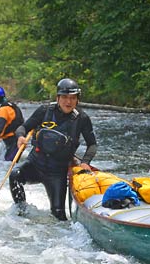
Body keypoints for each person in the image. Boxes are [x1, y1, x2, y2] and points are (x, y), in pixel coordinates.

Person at [9, 78, 97, 221]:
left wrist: (85, 162)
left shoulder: (82, 118)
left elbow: (92, 144)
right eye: (64, 97)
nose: (68, 102)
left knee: (58, 216)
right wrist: (20, 136)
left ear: (77, 100)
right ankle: (21, 212)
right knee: (15, 175)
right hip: (35, 165)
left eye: (72, 98)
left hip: (57, 173)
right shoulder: (44, 111)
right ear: (57, 98)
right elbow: (24, 127)